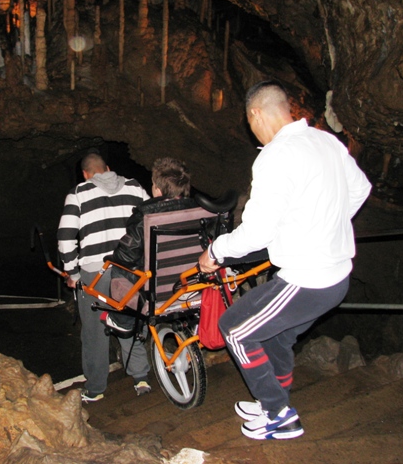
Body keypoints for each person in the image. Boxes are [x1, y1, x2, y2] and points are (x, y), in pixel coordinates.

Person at [198, 80, 372, 440]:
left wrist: (215, 252)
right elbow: (360, 189)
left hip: (306, 278)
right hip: (336, 277)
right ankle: (271, 400)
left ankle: (279, 416)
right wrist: (326, 222)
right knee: (277, 335)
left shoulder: (275, 156)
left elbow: (257, 230)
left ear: (256, 114)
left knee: (235, 328)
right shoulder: (326, 141)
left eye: (250, 124)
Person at [57, 151, 151, 402]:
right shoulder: (135, 187)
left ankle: (96, 388)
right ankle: (141, 376)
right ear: (108, 168)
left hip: (96, 273)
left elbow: (66, 237)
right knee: (129, 319)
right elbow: (151, 222)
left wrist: (73, 274)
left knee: (94, 331)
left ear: (86, 174)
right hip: (132, 270)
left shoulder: (78, 193)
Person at [106, 156, 196, 329]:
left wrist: (114, 257)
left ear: (158, 189)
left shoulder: (146, 217)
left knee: (118, 268)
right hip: (190, 284)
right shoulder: (199, 212)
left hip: (157, 290)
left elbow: (125, 256)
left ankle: (123, 322)